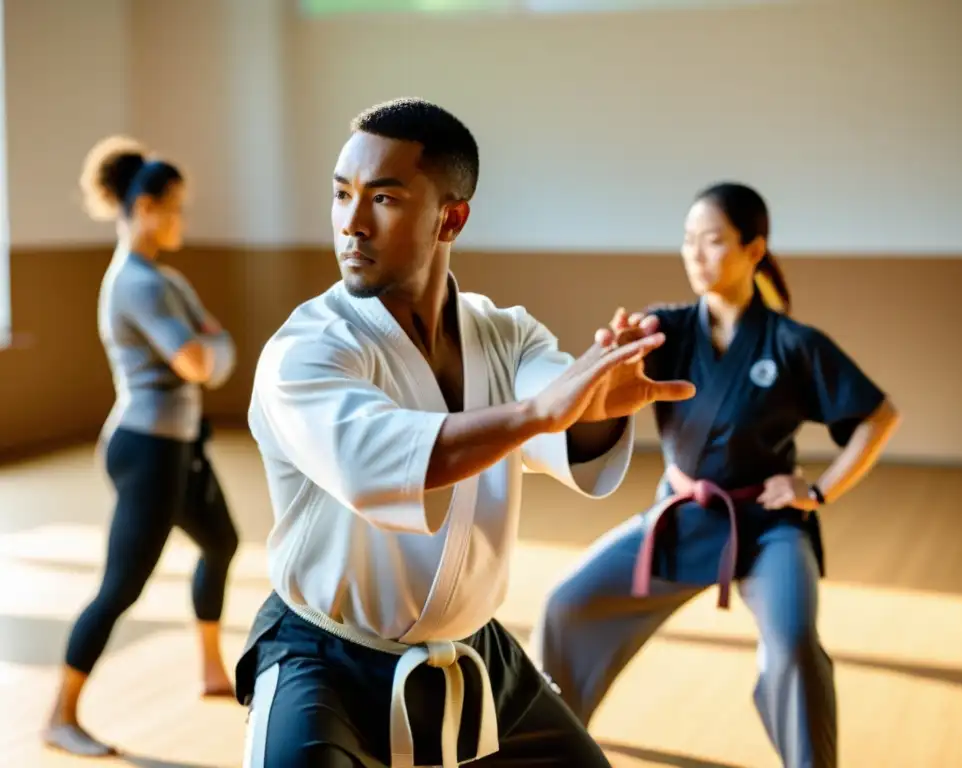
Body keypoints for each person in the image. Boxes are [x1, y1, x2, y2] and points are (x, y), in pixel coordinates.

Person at [236, 97, 697, 768]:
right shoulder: (306, 350)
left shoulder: (504, 332)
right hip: (323, 658)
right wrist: (543, 413)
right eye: (342, 195)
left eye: (384, 199)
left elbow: (560, 428)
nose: (352, 224)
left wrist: (602, 402)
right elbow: (383, 466)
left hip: (472, 649)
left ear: (451, 217)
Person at [534, 182, 902, 768]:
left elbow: (879, 416)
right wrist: (612, 364)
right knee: (567, 603)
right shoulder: (663, 329)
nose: (695, 255)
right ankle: (551, 753)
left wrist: (819, 489)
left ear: (754, 251)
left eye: (712, 242)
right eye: (687, 242)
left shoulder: (791, 343)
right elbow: (596, 405)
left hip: (767, 529)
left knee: (794, 646)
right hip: (679, 517)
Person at [44, 137, 240, 757]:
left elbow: (217, 351)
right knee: (122, 587)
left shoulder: (165, 278)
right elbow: (199, 359)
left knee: (222, 540)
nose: (183, 220)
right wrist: (212, 350)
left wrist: (214, 351)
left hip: (178, 443)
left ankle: (211, 670)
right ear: (149, 207)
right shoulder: (140, 285)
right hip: (147, 449)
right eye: (177, 207)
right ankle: (59, 714)